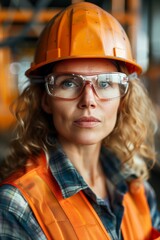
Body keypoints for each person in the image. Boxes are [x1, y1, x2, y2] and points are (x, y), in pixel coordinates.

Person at [0, 2, 160, 239]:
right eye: (69, 83)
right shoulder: (18, 205)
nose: (88, 100)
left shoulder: (138, 190)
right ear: (45, 99)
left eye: (104, 83)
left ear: (123, 99)